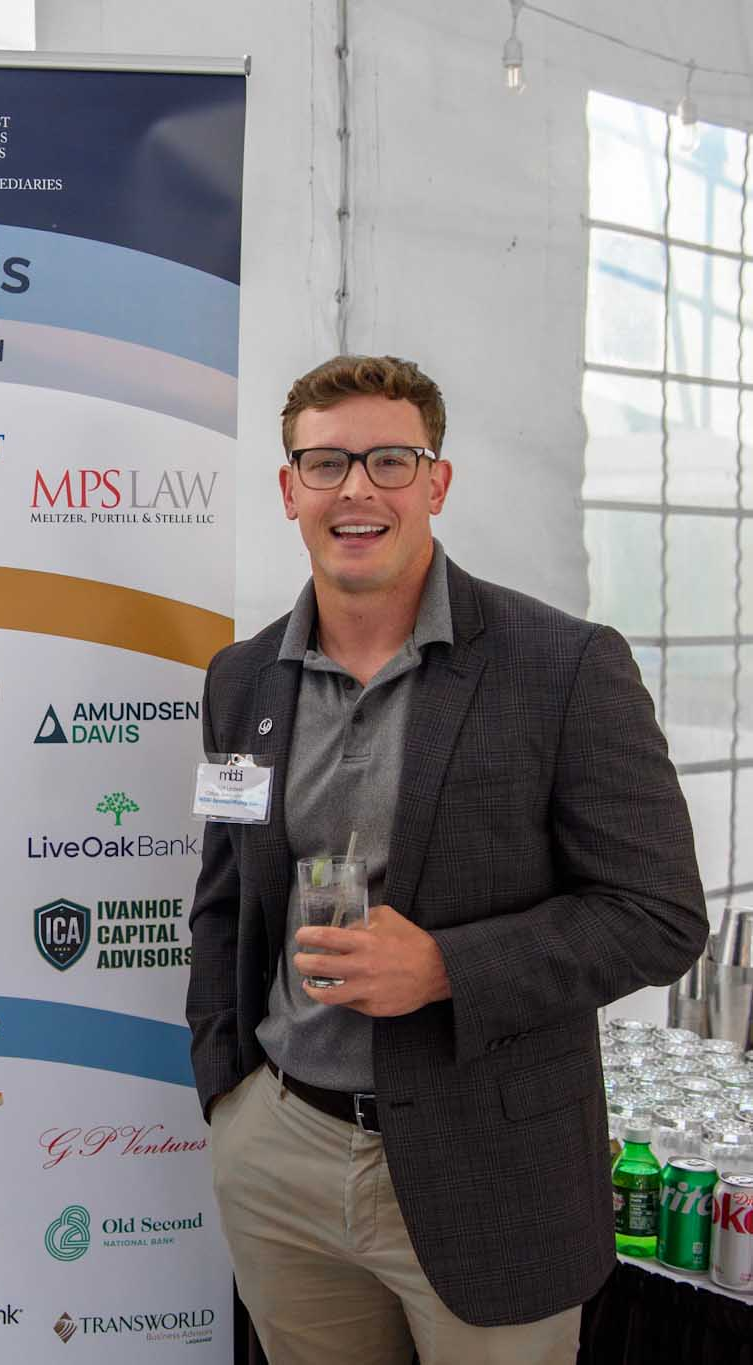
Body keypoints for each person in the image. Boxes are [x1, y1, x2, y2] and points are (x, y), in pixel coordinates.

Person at [186, 356, 707, 1364]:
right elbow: (223, 894)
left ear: (436, 482)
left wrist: (444, 968)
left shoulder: (562, 667)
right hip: (281, 1155)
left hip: (491, 1164)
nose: (356, 489)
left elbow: (657, 912)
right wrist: (228, 1090)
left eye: (390, 460)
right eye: (326, 463)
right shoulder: (241, 678)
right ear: (289, 489)